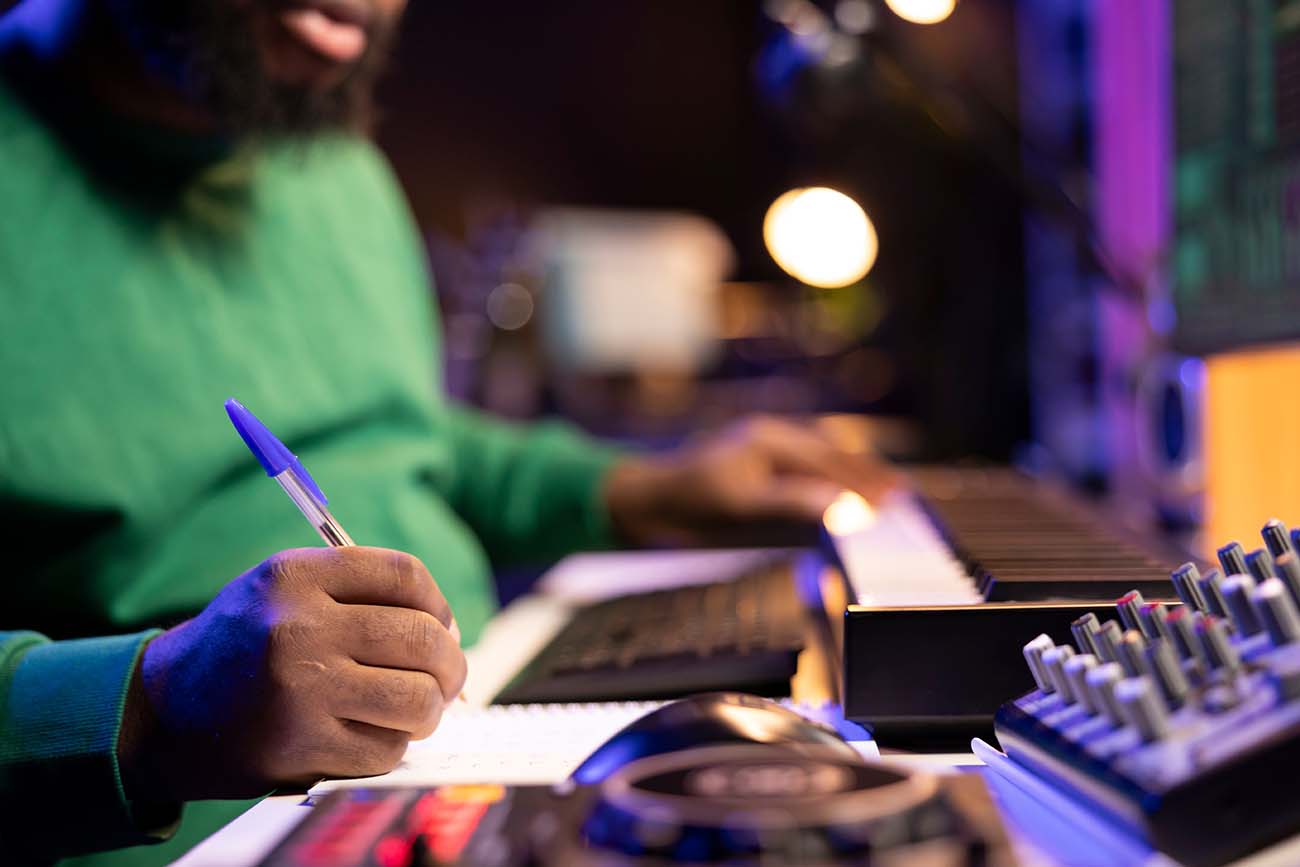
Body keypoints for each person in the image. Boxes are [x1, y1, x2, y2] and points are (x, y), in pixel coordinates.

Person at [0, 0, 895, 864]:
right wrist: (155, 709)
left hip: (476, 720)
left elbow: (406, 440)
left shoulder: (325, 155)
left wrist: (635, 487)